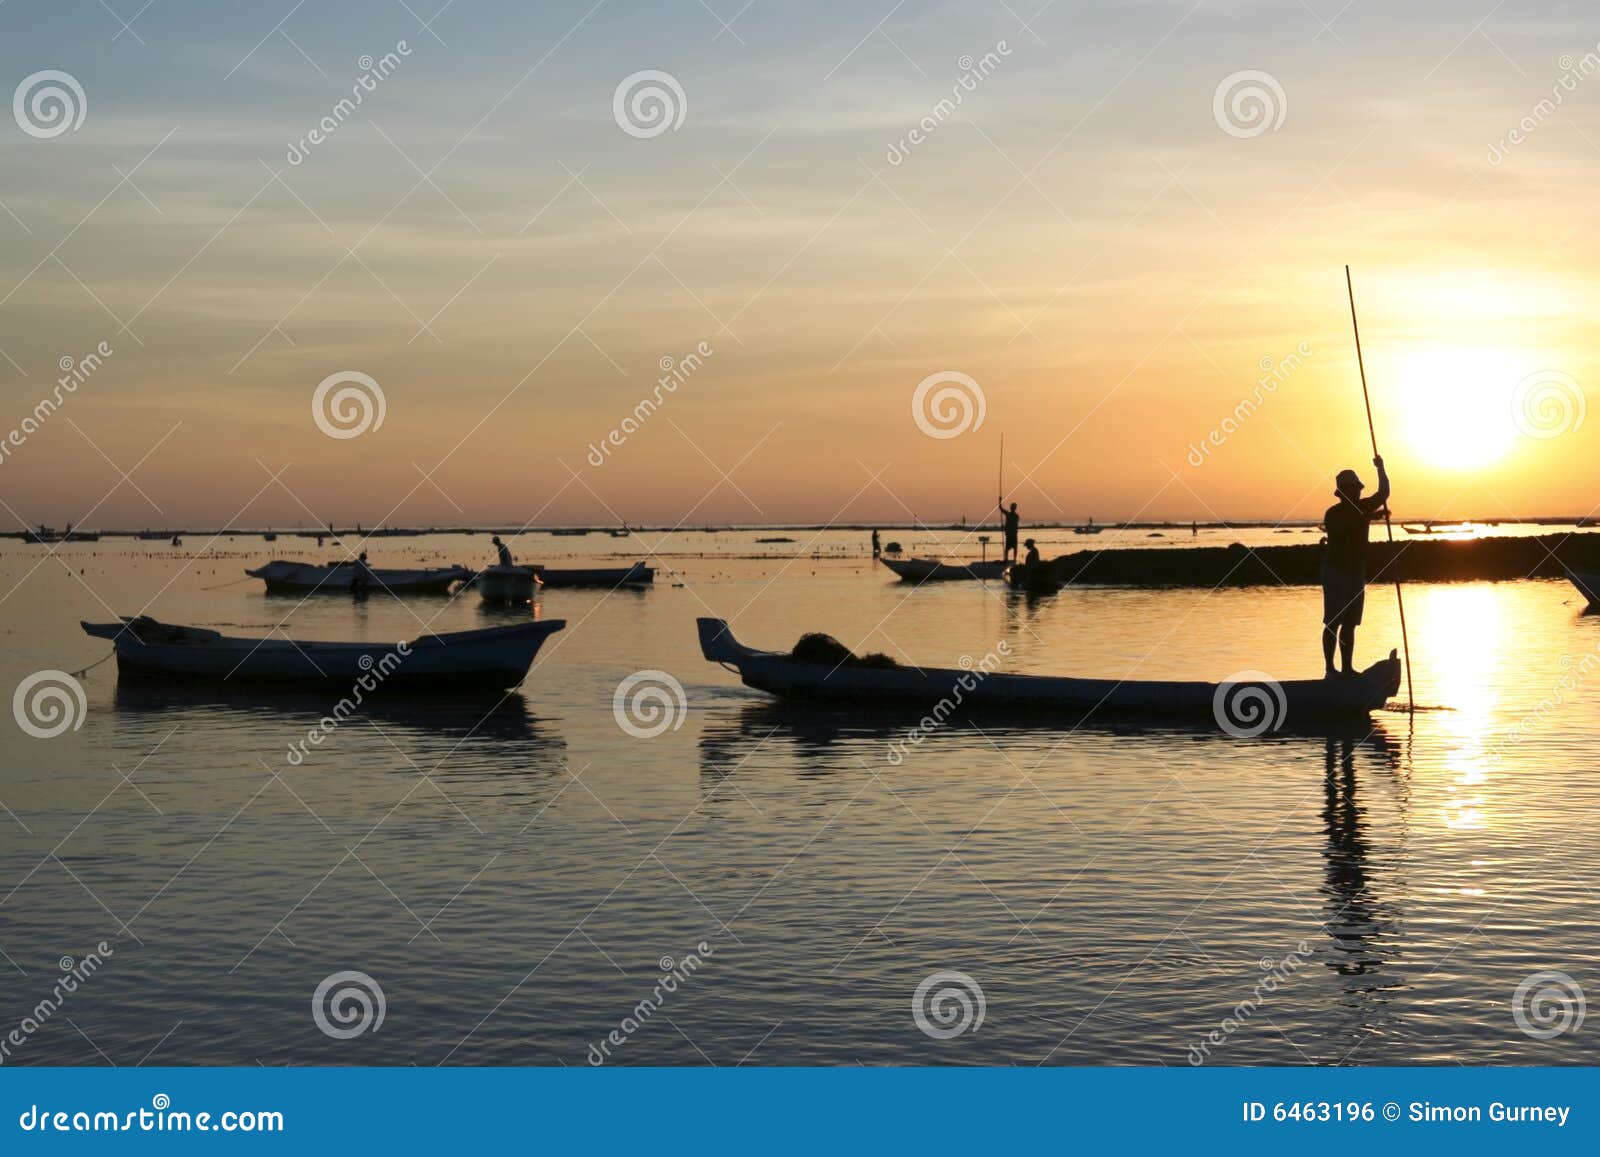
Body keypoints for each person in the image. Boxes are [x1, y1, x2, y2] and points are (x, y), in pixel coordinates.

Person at [1321, 456, 1390, 678]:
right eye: (1352, 489)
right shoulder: (1333, 514)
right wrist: (1368, 516)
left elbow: (1384, 493)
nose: (1357, 493)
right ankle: (1331, 669)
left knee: (1350, 623)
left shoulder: (1365, 506)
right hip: (1335, 573)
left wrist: (1381, 468)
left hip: (1355, 573)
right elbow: (1342, 530)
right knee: (1333, 622)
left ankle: (1347, 668)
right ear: (1343, 492)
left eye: (1358, 489)